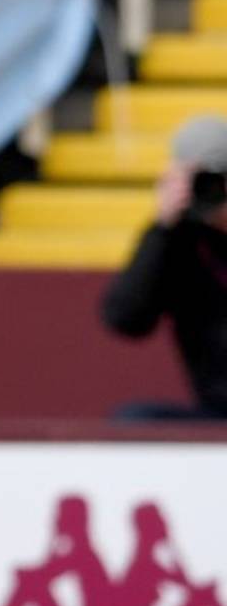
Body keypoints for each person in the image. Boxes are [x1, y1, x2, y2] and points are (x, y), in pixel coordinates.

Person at [101, 115, 227, 422]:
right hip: (216, 415)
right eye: (202, 181)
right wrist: (163, 226)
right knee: (132, 420)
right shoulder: (179, 243)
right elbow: (125, 318)